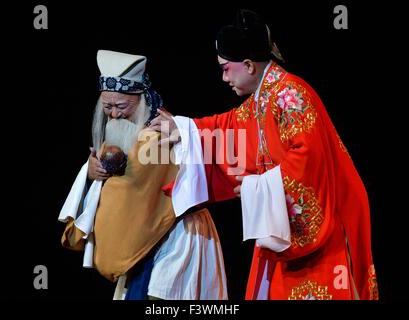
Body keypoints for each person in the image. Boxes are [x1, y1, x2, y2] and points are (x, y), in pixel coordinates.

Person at [149, 9, 378, 300]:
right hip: (285, 221)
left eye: (225, 68)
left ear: (248, 65)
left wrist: (257, 188)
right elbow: (228, 128)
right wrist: (183, 128)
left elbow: (308, 159)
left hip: (330, 211)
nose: (223, 78)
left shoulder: (289, 95)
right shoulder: (264, 98)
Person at [58, 50, 227, 300]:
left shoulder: (160, 133)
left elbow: (133, 186)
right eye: (107, 107)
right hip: (143, 239)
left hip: (178, 238)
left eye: (121, 106)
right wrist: (91, 173)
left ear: (141, 100)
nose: (114, 114)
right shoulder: (125, 132)